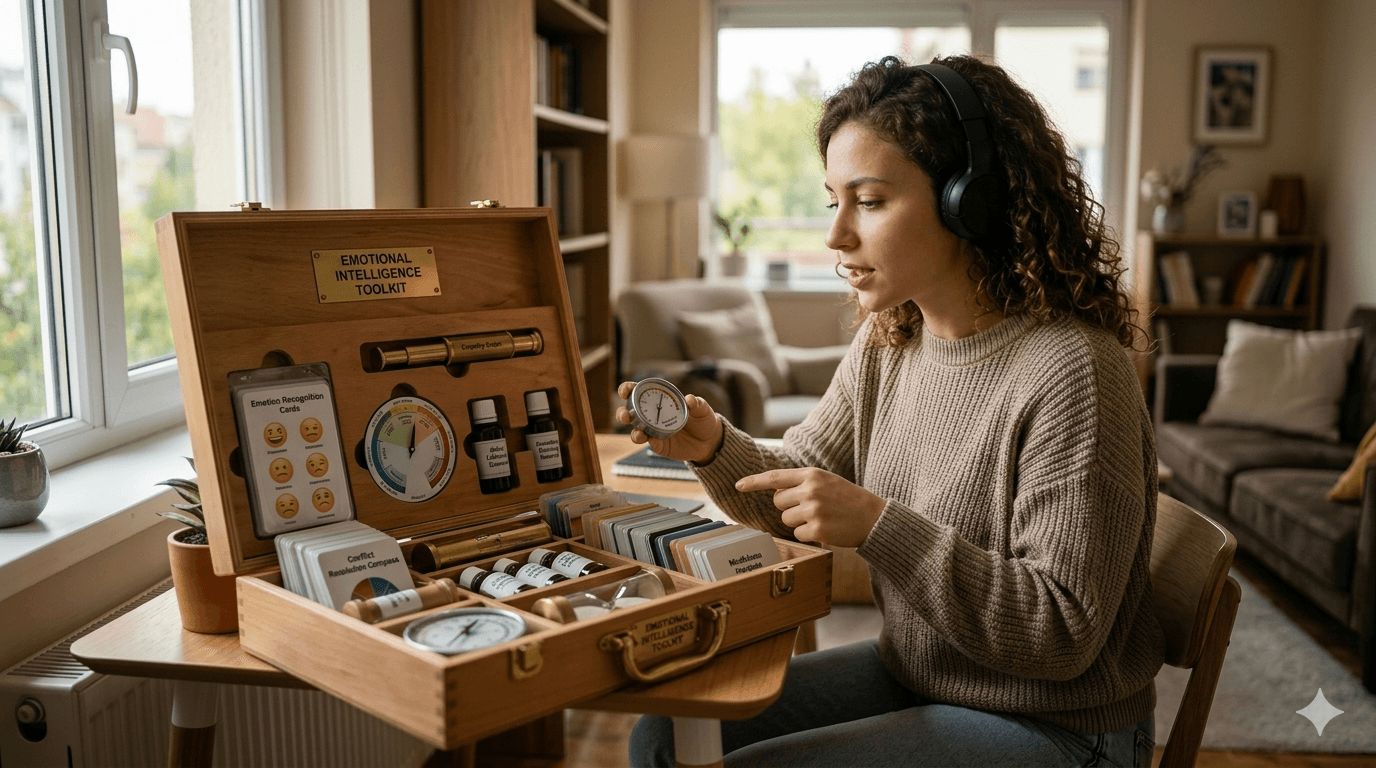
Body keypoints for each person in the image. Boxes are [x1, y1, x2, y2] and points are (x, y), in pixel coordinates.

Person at [620, 54, 1164, 768]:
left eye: (869, 201)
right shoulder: (895, 336)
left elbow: (1061, 633)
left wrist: (879, 527)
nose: (835, 236)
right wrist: (713, 446)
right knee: (663, 736)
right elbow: (804, 476)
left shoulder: (1073, 371)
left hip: (1062, 726)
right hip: (925, 676)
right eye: (832, 200)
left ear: (969, 201)